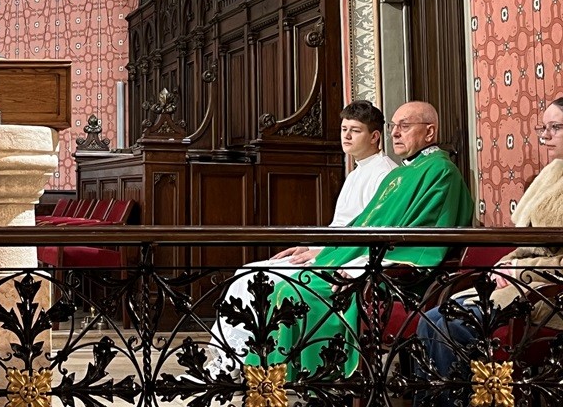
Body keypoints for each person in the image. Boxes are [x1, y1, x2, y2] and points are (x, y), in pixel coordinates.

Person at [251, 101, 473, 380]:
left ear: (429, 132)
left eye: (404, 126)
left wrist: (362, 265)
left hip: (394, 279)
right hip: (366, 265)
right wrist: (327, 253)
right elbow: (364, 225)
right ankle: (281, 382)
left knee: (295, 294)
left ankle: (322, 381)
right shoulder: (403, 172)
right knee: (283, 288)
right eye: (393, 126)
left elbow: (423, 240)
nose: (395, 133)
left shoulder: (440, 172)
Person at [208, 100, 398, 376]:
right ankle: (233, 358)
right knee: (247, 273)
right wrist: (310, 246)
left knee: (259, 280)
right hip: (332, 252)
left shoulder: (384, 174)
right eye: (344, 129)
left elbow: (369, 233)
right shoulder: (357, 171)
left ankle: (239, 364)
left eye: (355, 130)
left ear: (375, 136)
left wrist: (321, 252)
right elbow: (340, 227)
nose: (346, 136)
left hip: (346, 261)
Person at [415, 97, 563, 407]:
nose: (546, 136)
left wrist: (520, 271)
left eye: (556, 127)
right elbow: (525, 243)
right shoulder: (550, 174)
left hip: (550, 295)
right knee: (431, 318)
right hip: (523, 285)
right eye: (543, 128)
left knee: (451, 326)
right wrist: (503, 267)